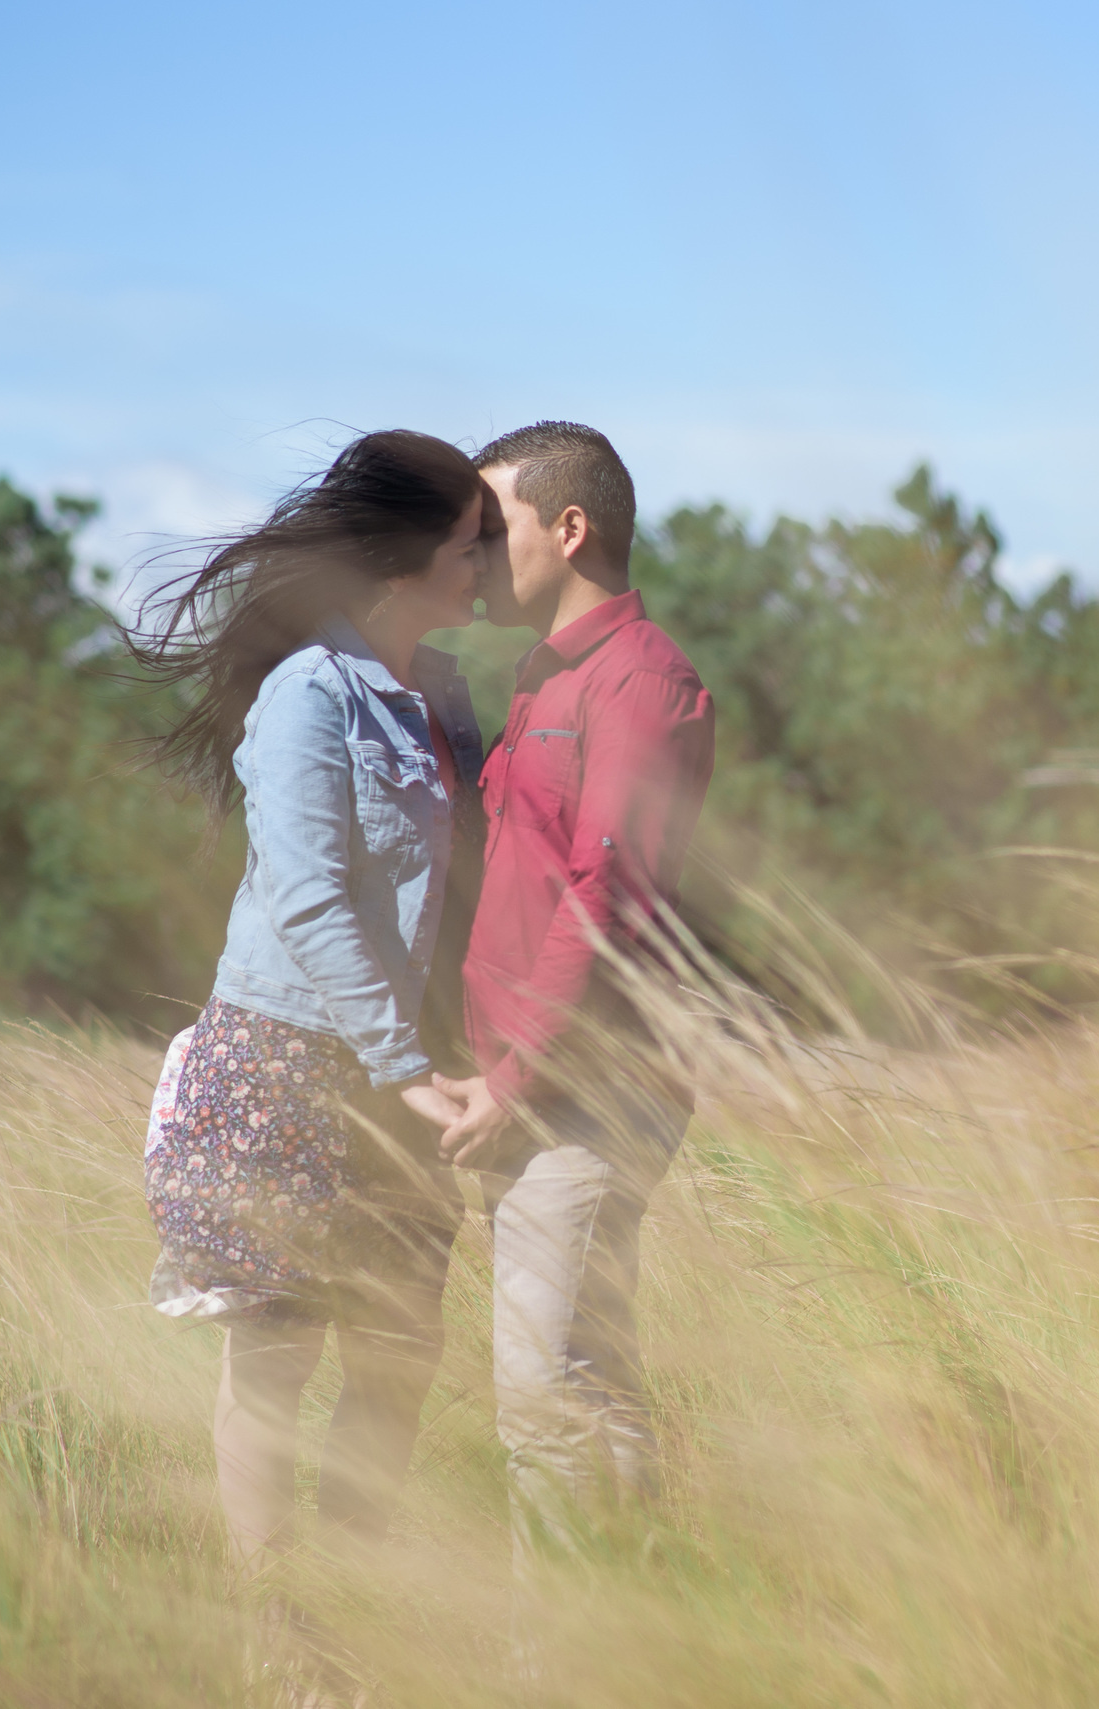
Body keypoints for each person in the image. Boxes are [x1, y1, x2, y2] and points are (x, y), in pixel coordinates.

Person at [129, 428, 491, 1563]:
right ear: (406, 555)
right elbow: (309, 898)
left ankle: (356, 1599)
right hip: (292, 1060)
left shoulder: (444, 692)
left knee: (400, 1352)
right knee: (275, 1363)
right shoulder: (308, 697)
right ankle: (282, 1641)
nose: (485, 562)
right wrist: (401, 1065)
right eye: (471, 541)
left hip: (411, 1070)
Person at [419, 421, 715, 1549]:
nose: (477, 551)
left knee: (554, 1396)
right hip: (526, 1090)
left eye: (495, 525)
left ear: (571, 526)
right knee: (567, 1388)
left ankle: (586, 1655)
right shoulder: (546, 675)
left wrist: (516, 1074)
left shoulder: (643, 679)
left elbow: (609, 891)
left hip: (584, 1090)